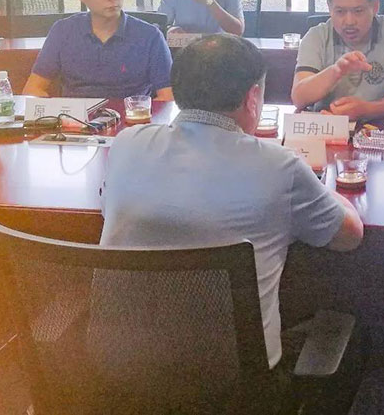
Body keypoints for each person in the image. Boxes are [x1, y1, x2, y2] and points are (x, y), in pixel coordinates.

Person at [100, 33, 364, 403]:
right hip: (235, 388)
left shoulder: (127, 144)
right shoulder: (278, 166)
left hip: (119, 379)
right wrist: (324, 186)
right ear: (253, 97)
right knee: (358, 334)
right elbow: (349, 235)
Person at [22, 0, 173, 100]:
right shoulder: (63, 31)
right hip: (76, 115)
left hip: (131, 115)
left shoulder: (150, 36)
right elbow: (33, 89)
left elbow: (168, 96)